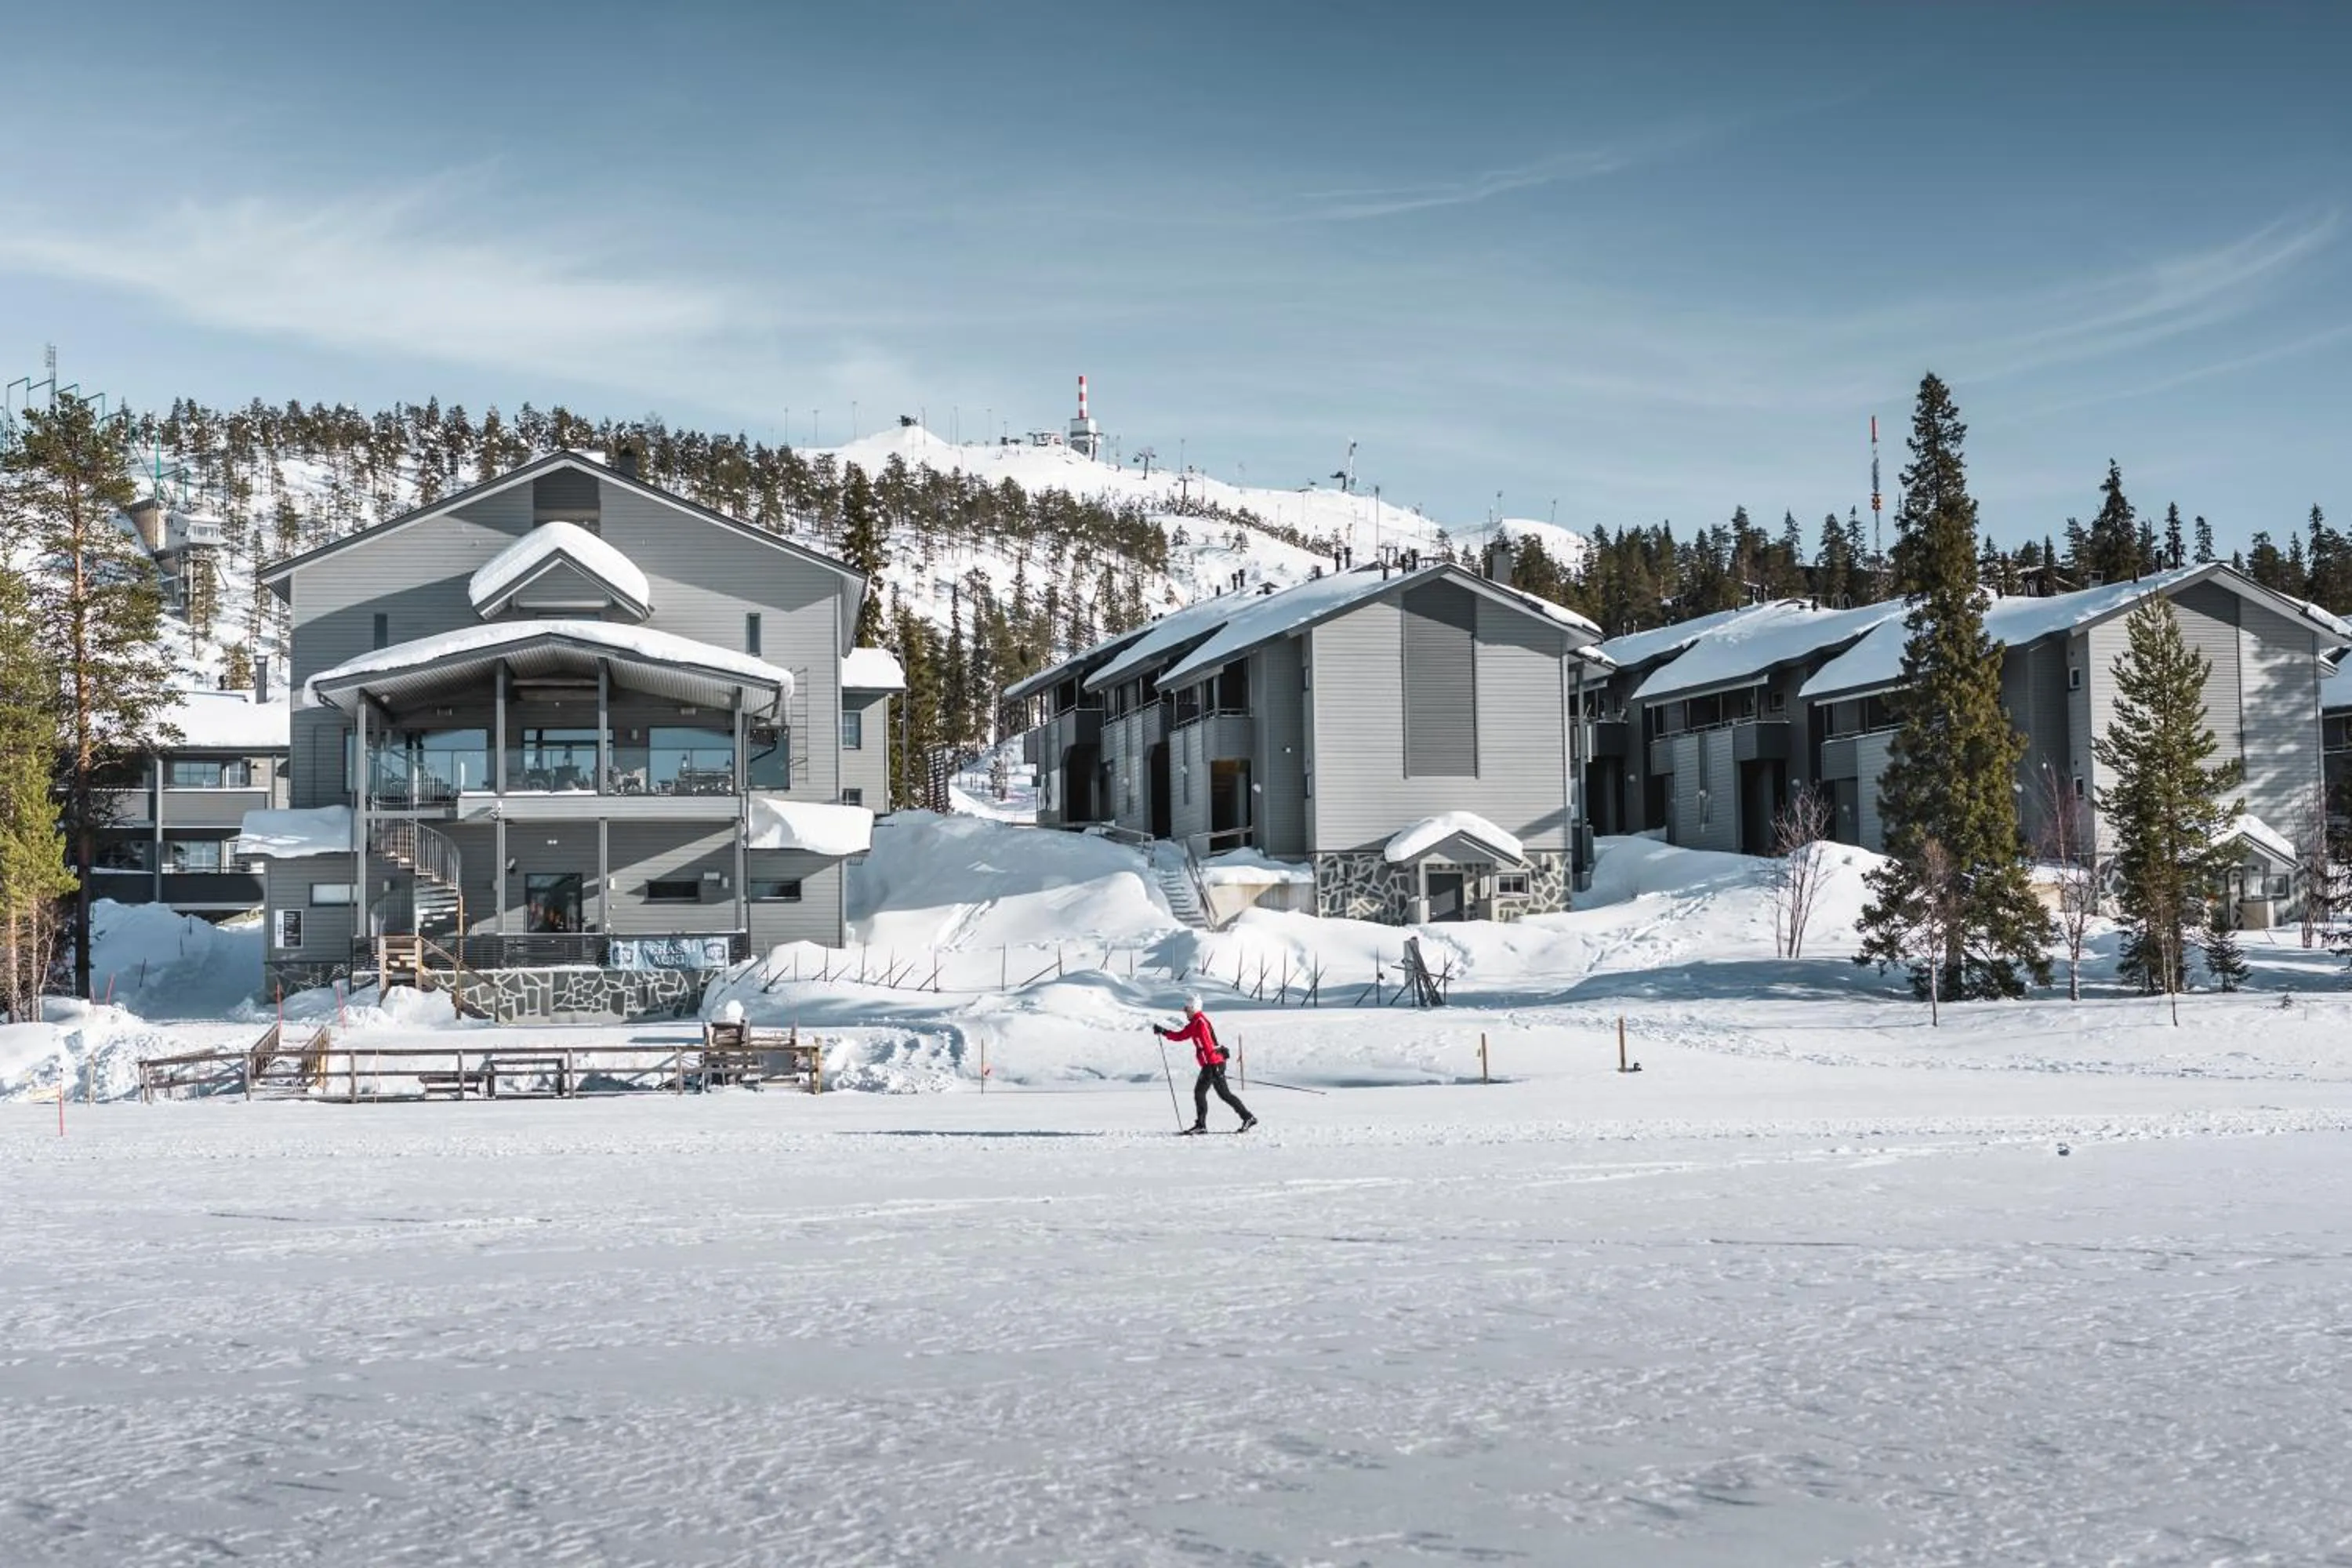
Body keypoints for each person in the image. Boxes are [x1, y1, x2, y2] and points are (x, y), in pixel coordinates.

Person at [1156, 996, 1255, 1134]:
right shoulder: (1195, 1022)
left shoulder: (1200, 1022)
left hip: (1212, 1063)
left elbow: (1208, 1044)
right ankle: (1248, 1118)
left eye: (1188, 1009)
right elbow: (1181, 1036)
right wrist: (1164, 1032)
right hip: (1213, 1063)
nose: (1185, 1012)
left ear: (1194, 1008)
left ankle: (1202, 1125)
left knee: (1200, 1093)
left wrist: (1214, 1065)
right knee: (1224, 1094)